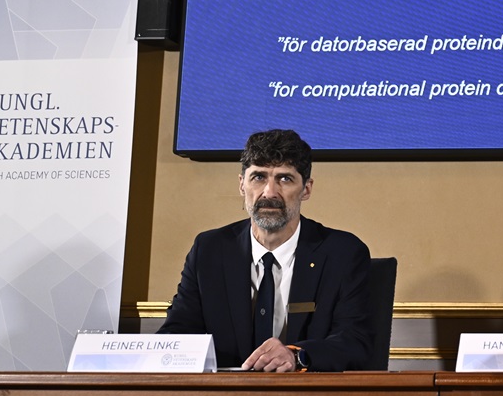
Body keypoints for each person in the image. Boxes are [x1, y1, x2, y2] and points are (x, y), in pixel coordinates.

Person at [158, 129, 373, 371]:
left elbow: (355, 343)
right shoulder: (209, 250)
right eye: (259, 177)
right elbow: (178, 333)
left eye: (285, 179)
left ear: (307, 189)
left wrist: (296, 355)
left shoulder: (342, 253)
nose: (269, 193)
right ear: (242, 185)